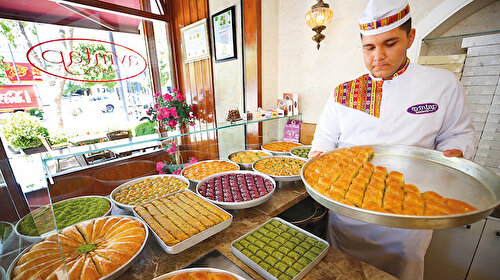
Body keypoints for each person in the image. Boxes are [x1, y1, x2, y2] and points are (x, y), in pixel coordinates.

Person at [309, 0, 476, 279]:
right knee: (343, 271)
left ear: (410, 38)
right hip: (349, 213)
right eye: (369, 47)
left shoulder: (442, 84)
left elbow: (458, 134)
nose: (378, 57)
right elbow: (325, 136)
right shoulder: (344, 91)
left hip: (407, 217)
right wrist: (319, 155)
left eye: (390, 43)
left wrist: (455, 152)